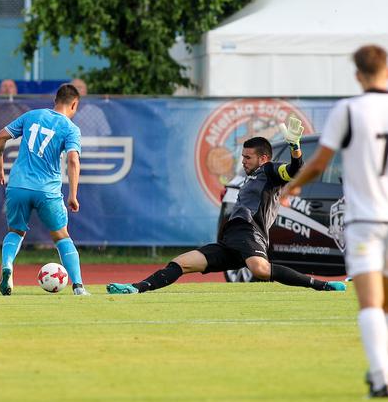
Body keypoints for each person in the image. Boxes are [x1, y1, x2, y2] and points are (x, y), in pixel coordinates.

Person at [280, 45, 388, 398]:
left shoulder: (348, 110)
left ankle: (380, 375)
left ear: (358, 75)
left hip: (362, 220)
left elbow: (319, 161)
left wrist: (291, 187)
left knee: (369, 303)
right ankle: (381, 374)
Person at [106, 119, 347, 295]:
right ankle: (135, 288)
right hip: (231, 241)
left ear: (263, 158)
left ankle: (322, 285)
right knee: (182, 262)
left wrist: (295, 148)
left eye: (248, 157)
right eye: (242, 157)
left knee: (261, 270)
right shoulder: (250, 176)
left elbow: (294, 170)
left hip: (250, 234)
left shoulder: (270, 170)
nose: (243, 161)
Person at [0, 83, 90, 296]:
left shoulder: (31, 116)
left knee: (15, 231)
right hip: (47, 190)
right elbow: (73, 160)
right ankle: (79, 287)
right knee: (62, 236)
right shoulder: (71, 128)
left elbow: (0, 136)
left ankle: (7, 265)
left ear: (55, 100)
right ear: (74, 104)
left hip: (18, 185)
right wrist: (73, 194)